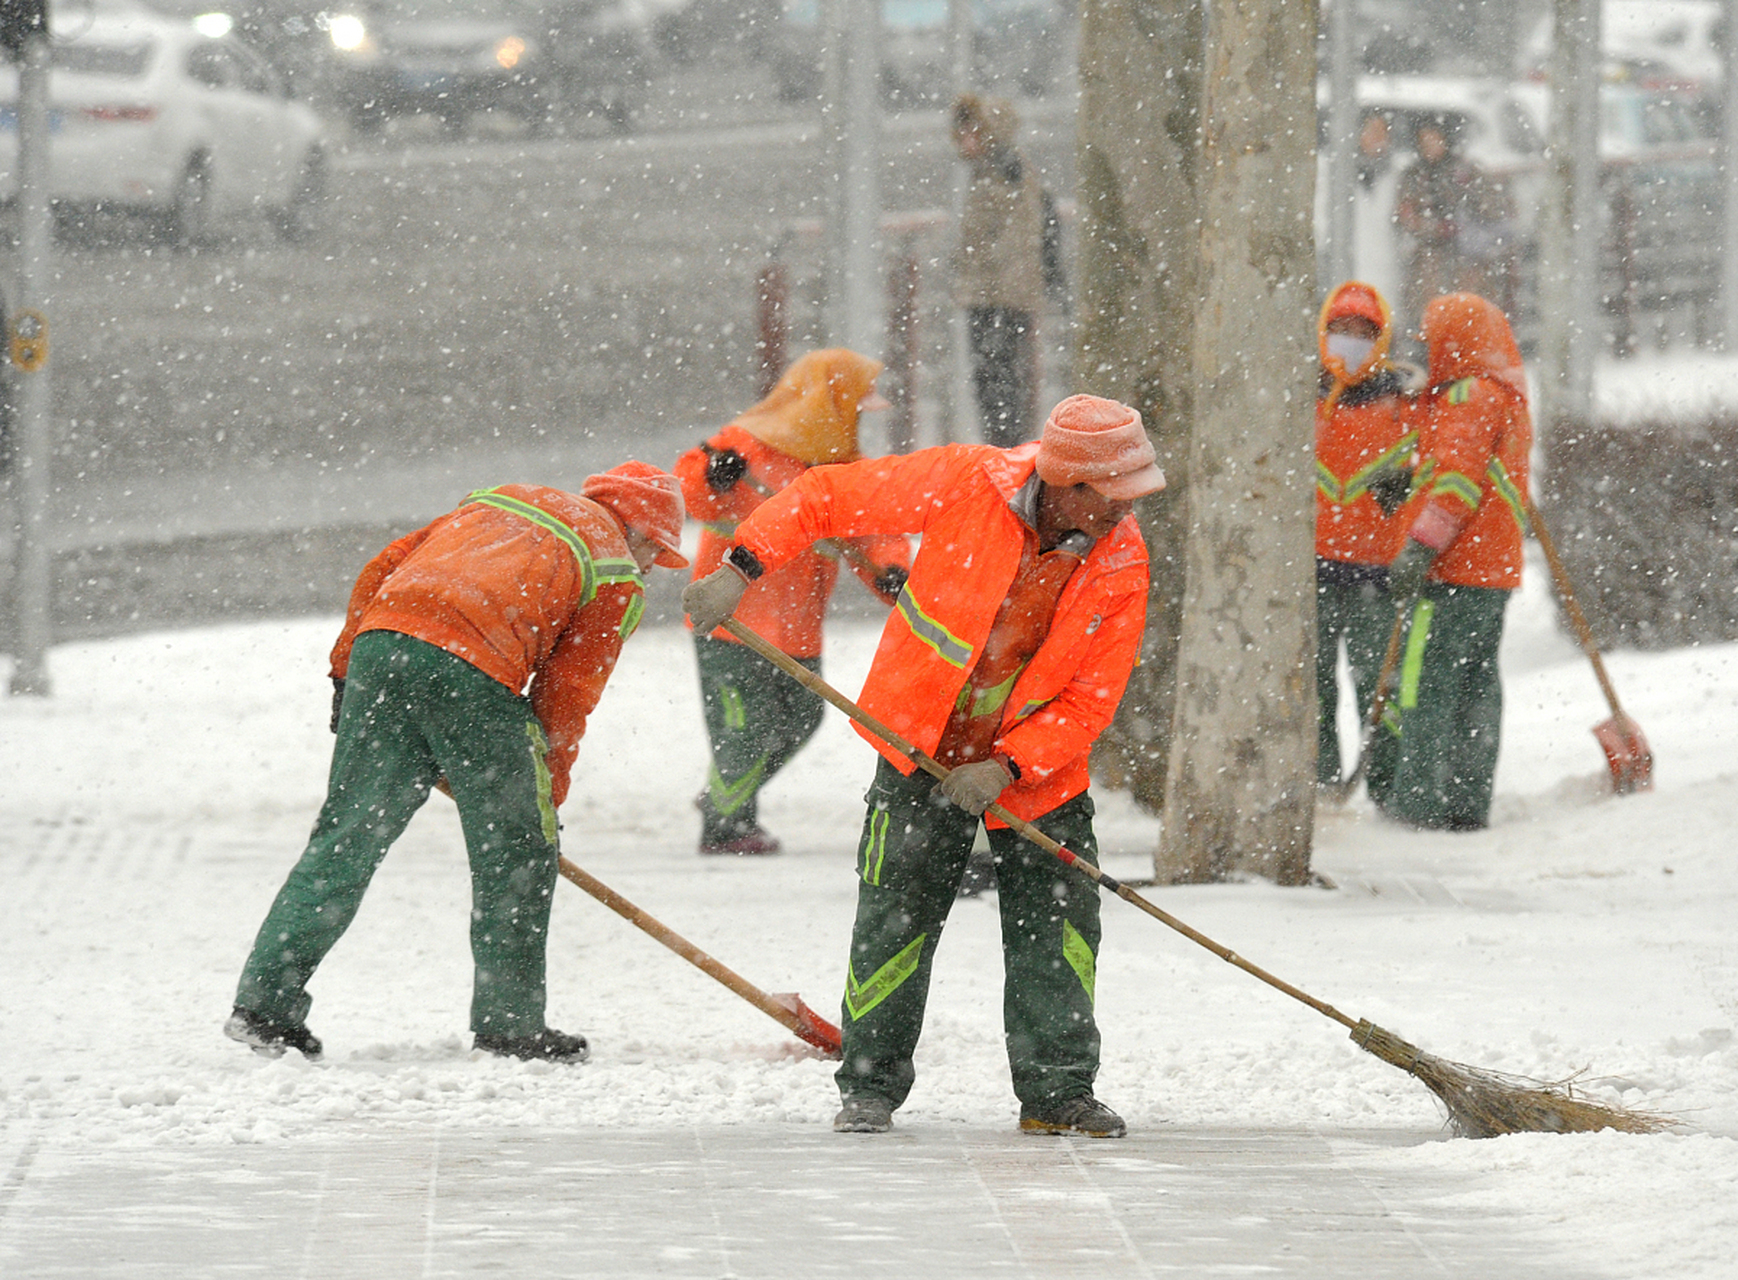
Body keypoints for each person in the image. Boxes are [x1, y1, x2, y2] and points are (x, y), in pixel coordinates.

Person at [683, 394, 1165, 1138]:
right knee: (893, 921)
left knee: (1060, 929)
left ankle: (1058, 1092)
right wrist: (740, 569)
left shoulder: (1121, 556)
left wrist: (1009, 767)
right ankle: (870, 1087)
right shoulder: (967, 481)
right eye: (1115, 494)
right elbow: (821, 497)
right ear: (1067, 479)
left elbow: (1091, 697)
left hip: (1037, 779)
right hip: (917, 751)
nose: (1126, 511)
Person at [226, 463, 690, 1063]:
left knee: (347, 836)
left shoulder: (505, 499)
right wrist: (541, 801)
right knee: (515, 856)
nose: (653, 563)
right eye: (657, 548)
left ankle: (264, 1005)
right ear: (639, 529)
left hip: (383, 646)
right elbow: (568, 694)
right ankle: (510, 1025)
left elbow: (384, 566)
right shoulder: (614, 570)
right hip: (474, 668)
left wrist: (347, 669)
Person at [675, 348, 910, 856]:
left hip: (800, 627)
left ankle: (726, 795)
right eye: (853, 408)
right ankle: (726, 824)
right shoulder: (743, 444)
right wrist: (713, 477)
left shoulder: (847, 470)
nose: (857, 421)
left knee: (802, 718)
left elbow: (874, 534)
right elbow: (692, 490)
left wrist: (895, 574)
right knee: (744, 728)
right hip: (730, 622)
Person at [1376, 293, 1531, 831]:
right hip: (1492, 571)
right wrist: (1407, 482)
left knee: (1424, 683)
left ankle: (1418, 804)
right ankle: (1467, 803)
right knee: (1477, 686)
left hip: (1453, 571)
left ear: (1457, 340)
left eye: (1431, 335)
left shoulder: (1467, 396)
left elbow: (1456, 486)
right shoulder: (1504, 395)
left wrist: (1419, 546)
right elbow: (1470, 475)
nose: (1423, 345)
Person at [1314, 280, 1421, 788]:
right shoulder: (1302, 398)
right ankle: (1318, 782)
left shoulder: (1405, 402)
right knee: (1312, 688)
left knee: (1380, 688)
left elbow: (1429, 468)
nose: (1350, 341)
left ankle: (1386, 784)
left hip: (1377, 574)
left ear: (1381, 338)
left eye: (1363, 332)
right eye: (1341, 330)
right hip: (1310, 570)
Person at [951, 93, 1045, 448]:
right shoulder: (999, 170)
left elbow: (1006, 237)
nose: (965, 141)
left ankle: (1005, 453)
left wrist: (980, 274)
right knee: (999, 385)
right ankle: (1005, 449)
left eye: (972, 131)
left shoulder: (1005, 171)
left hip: (999, 296)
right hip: (999, 294)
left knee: (998, 387)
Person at [1394, 116, 1515, 335]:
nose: (1430, 146)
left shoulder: (1467, 170)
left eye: (1435, 139)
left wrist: (1470, 209)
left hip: (1468, 264)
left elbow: (1495, 207)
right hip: (1428, 266)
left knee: (1465, 324)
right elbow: (1406, 217)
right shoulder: (1413, 176)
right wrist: (1436, 228)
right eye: (1424, 141)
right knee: (1430, 326)